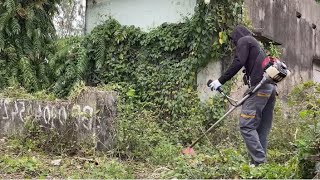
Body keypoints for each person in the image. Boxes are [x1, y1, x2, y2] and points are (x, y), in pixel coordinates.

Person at [209, 25, 277, 166]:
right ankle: (260, 166)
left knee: (246, 125)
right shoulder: (255, 44)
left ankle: (259, 161)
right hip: (270, 89)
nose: (235, 45)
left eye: (234, 42)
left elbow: (238, 61)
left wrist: (219, 81)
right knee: (261, 129)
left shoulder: (244, 40)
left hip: (260, 87)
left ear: (236, 37)